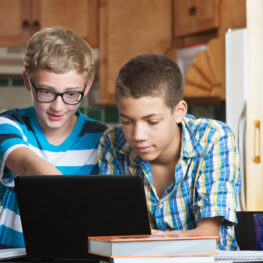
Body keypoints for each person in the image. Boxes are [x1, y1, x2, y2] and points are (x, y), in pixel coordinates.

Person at [98, 54, 241, 250]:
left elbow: (208, 236)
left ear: (179, 111)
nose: (138, 135)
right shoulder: (112, 143)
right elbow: (115, 231)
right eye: (127, 121)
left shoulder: (213, 138)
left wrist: (152, 239)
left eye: (152, 122)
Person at [0, 27, 107, 248]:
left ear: (87, 86)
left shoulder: (104, 140)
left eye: (71, 94)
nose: (57, 107)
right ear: (28, 81)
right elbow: (28, 166)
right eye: (47, 92)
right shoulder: (7, 125)